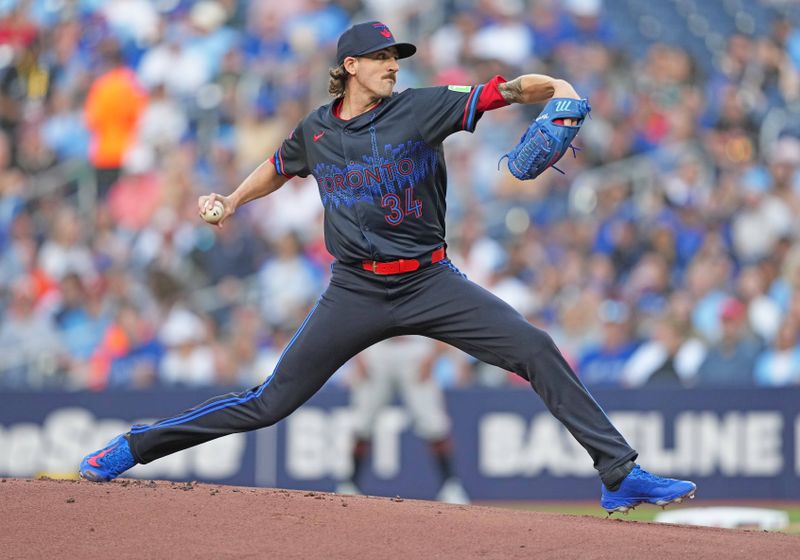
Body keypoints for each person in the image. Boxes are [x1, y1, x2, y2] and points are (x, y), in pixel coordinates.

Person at [79, 21, 696, 513]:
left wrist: (560, 90)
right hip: (356, 289)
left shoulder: (422, 107)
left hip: (431, 281)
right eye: (381, 57)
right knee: (268, 403)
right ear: (350, 67)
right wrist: (233, 199)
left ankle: (620, 475)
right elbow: (279, 162)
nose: (393, 65)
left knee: (534, 348)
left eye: (396, 56)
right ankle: (135, 445)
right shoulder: (316, 130)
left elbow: (509, 90)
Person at [338, 337, 470, 504]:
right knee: (362, 422)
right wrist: (358, 355)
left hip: (415, 348)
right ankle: (350, 484)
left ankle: (450, 485)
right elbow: (355, 316)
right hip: (377, 346)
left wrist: (433, 355)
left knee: (433, 423)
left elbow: (442, 316)